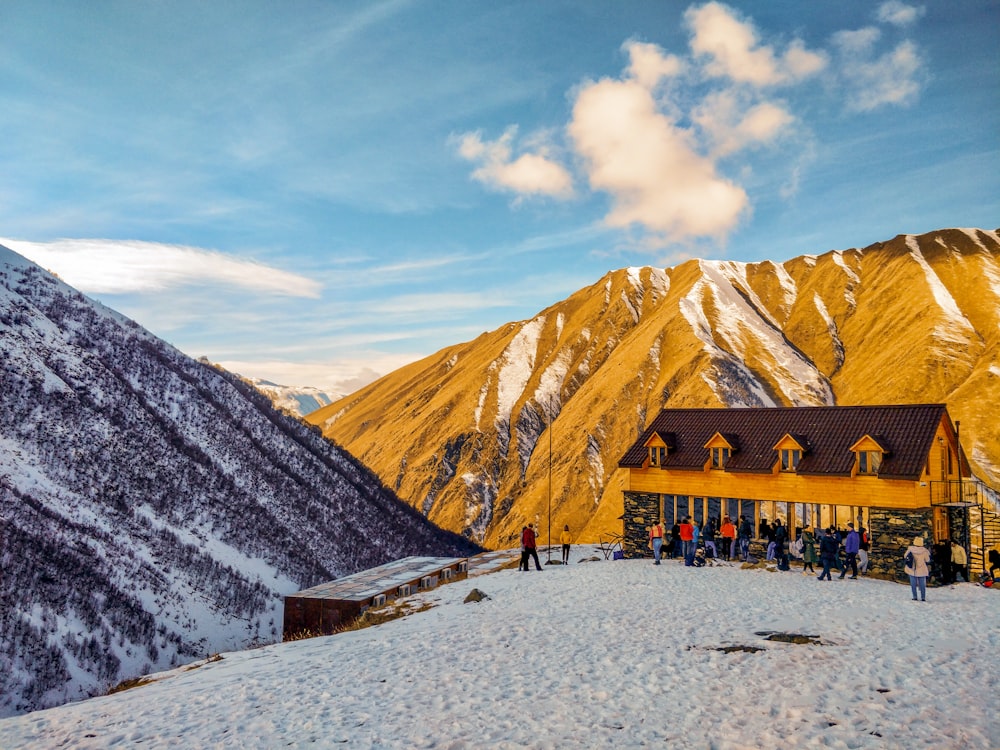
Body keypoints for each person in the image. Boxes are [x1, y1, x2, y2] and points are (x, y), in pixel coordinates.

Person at [904, 536, 932, 601]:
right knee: (922, 584)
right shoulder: (924, 551)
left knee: (913, 584)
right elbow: (927, 560)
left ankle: (914, 596)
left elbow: (905, 556)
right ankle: (923, 597)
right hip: (922, 569)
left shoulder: (910, 550)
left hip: (912, 569)